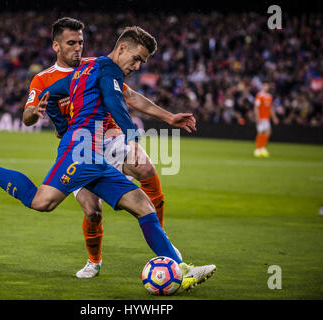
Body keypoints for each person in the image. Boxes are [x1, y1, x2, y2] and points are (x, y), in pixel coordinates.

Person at [0, 25, 215, 291]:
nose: (137, 66)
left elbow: (55, 96)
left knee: (143, 205)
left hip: (93, 153)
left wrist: (166, 117)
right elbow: (113, 101)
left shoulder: (89, 67)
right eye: (136, 59)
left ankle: (182, 269)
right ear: (122, 48)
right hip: (80, 151)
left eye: (141, 62)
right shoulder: (107, 69)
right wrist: (131, 135)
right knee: (42, 202)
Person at [22, 17, 212, 280]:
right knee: (93, 211)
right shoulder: (43, 79)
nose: (78, 48)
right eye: (71, 43)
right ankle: (94, 260)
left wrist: (168, 117)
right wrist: (35, 113)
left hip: (110, 139)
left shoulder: (96, 66)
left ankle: (163, 243)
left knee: (145, 167)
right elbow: (28, 116)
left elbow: (128, 96)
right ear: (56, 46)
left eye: (81, 42)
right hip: (80, 150)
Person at [253, 82, 279, 158]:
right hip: (261, 117)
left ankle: (262, 148)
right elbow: (256, 107)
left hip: (266, 118)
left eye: (267, 86)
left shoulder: (269, 96)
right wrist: (257, 117)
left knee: (268, 132)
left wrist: (274, 117)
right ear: (262, 86)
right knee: (261, 132)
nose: (266, 87)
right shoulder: (259, 95)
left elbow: (270, 108)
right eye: (265, 85)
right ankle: (257, 149)